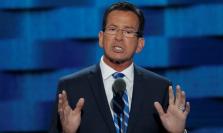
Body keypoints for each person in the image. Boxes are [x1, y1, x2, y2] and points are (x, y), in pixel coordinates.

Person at [49, 2, 190, 133]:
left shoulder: (160, 88)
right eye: (112, 29)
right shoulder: (71, 86)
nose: (118, 37)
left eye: (128, 32)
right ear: (101, 38)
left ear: (140, 44)